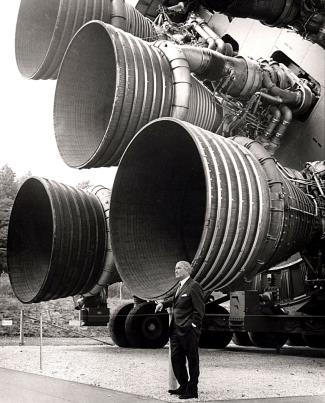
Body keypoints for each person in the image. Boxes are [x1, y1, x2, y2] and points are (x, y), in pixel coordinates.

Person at [155, 260, 205, 399]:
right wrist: (163, 304)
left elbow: (199, 310)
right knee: (176, 359)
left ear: (187, 270)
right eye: (175, 268)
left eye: (178, 268)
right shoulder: (181, 286)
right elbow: (176, 300)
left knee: (192, 360)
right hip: (176, 330)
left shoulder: (194, 286)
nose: (175, 270)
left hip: (188, 331)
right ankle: (183, 386)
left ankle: (192, 389)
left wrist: (193, 326)